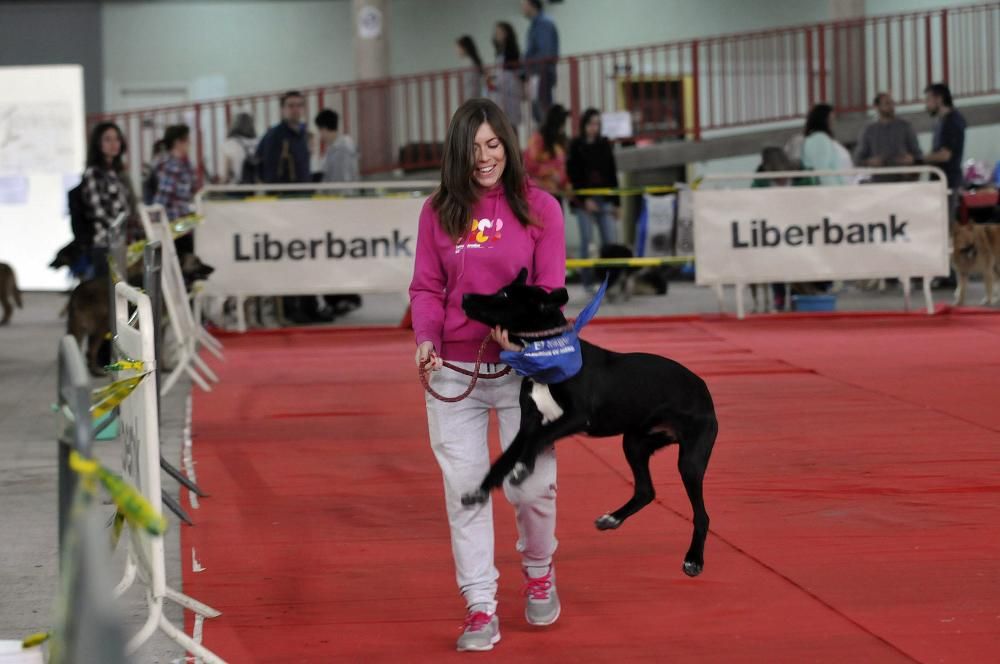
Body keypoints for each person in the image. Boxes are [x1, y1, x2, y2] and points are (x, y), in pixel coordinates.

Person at [409, 98, 565, 652]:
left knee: (533, 488)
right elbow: (427, 289)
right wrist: (426, 340)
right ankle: (480, 606)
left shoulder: (542, 208)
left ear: (508, 145)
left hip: (526, 374)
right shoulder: (437, 212)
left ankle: (540, 568)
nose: (484, 157)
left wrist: (520, 331)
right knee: (466, 492)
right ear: (457, 152)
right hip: (453, 375)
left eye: (493, 144)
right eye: (473, 147)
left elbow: (549, 291)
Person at [566, 108, 619, 290]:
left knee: (610, 242)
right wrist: (585, 199)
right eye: (591, 124)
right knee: (587, 242)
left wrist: (617, 202)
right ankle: (588, 283)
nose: (594, 128)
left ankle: (611, 282)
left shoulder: (604, 145)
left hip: (604, 198)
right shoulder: (576, 145)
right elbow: (573, 174)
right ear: (584, 125)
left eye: (597, 124)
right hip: (583, 200)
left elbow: (612, 173)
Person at [78, 122, 141, 276]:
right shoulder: (93, 173)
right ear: (98, 143)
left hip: (124, 243)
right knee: (109, 296)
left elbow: (128, 206)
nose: (114, 144)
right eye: (107, 139)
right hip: (106, 244)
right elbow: (99, 212)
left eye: (117, 139)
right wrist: (122, 228)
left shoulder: (117, 173)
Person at [853, 92, 922, 182]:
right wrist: (870, 162)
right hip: (879, 181)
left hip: (903, 180)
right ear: (877, 107)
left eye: (892, 103)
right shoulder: (869, 130)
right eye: (887, 103)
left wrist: (911, 159)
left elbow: (918, 155)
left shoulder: (905, 127)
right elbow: (858, 159)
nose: (891, 106)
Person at [923, 82, 966, 221]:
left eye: (928, 100)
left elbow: (945, 155)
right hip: (940, 182)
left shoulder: (952, 122)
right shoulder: (941, 122)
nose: (926, 104)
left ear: (939, 99)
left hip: (948, 182)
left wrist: (918, 159)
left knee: (946, 224)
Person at [255, 90, 310, 184]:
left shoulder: (303, 134)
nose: (295, 109)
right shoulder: (274, 136)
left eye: (299, 105)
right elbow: (267, 169)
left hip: (304, 192)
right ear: (282, 109)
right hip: (282, 194)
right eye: (291, 106)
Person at [522, 0, 559, 124]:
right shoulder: (536, 24)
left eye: (524, 4)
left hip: (540, 72)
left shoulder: (543, 23)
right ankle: (544, 139)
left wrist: (531, 70)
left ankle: (547, 139)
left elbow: (545, 52)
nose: (522, 7)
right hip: (536, 73)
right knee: (538, 110)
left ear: (532, 5)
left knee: (543, 110)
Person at [524, 103, 569, 204]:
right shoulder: (538, 139)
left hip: (557, 193)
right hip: (540, 192)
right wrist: (550, 172)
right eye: (562, 124)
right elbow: (529, 164)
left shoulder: (560, 142)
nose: (563, 127)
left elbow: (562, 166)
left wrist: (563, 180)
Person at [800, 103, 852, 186]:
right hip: (831, 191)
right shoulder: (820, 139)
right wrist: (837, 192)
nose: (833, 121)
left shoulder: (813, 139)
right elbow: (823, 170)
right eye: (831, 118)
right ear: (823, 119)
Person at [153, 124, 195, 221]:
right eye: (187, 140)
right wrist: (154, 222)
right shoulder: (172, 166)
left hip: (182, 219)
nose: (190, 143)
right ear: (177, 142)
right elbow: (162, 197)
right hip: (175, 223)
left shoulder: (183, 163)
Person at [490, 22, 523, 130]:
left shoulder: (513, 53)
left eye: (500, 32)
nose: (497, 35)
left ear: (507, 34)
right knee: (502, 124)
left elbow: (510, 74)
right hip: (501, 91)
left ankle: (513, 146)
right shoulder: (499, 53)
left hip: (510, 91)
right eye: (497, 33)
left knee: (511, 123)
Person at [314, 109, 360, 183]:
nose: (320, 135)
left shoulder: (343, 147)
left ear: (324, 128)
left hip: (343, 193)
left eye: (319, 130)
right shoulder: (332, 148)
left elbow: (342, 177)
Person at [220, 112, 259, 184]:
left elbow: (225, 175)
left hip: (237, 190)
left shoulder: (229, 144)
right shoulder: (258, 142)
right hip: (257, 189)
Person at [457, 35, 486, 101]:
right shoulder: (473, 62)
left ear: (465, 48)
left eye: (459, 48)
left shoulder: (469, 63)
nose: (457, 51)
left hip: (471, 95)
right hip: (474, 94)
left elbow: (468, 82)